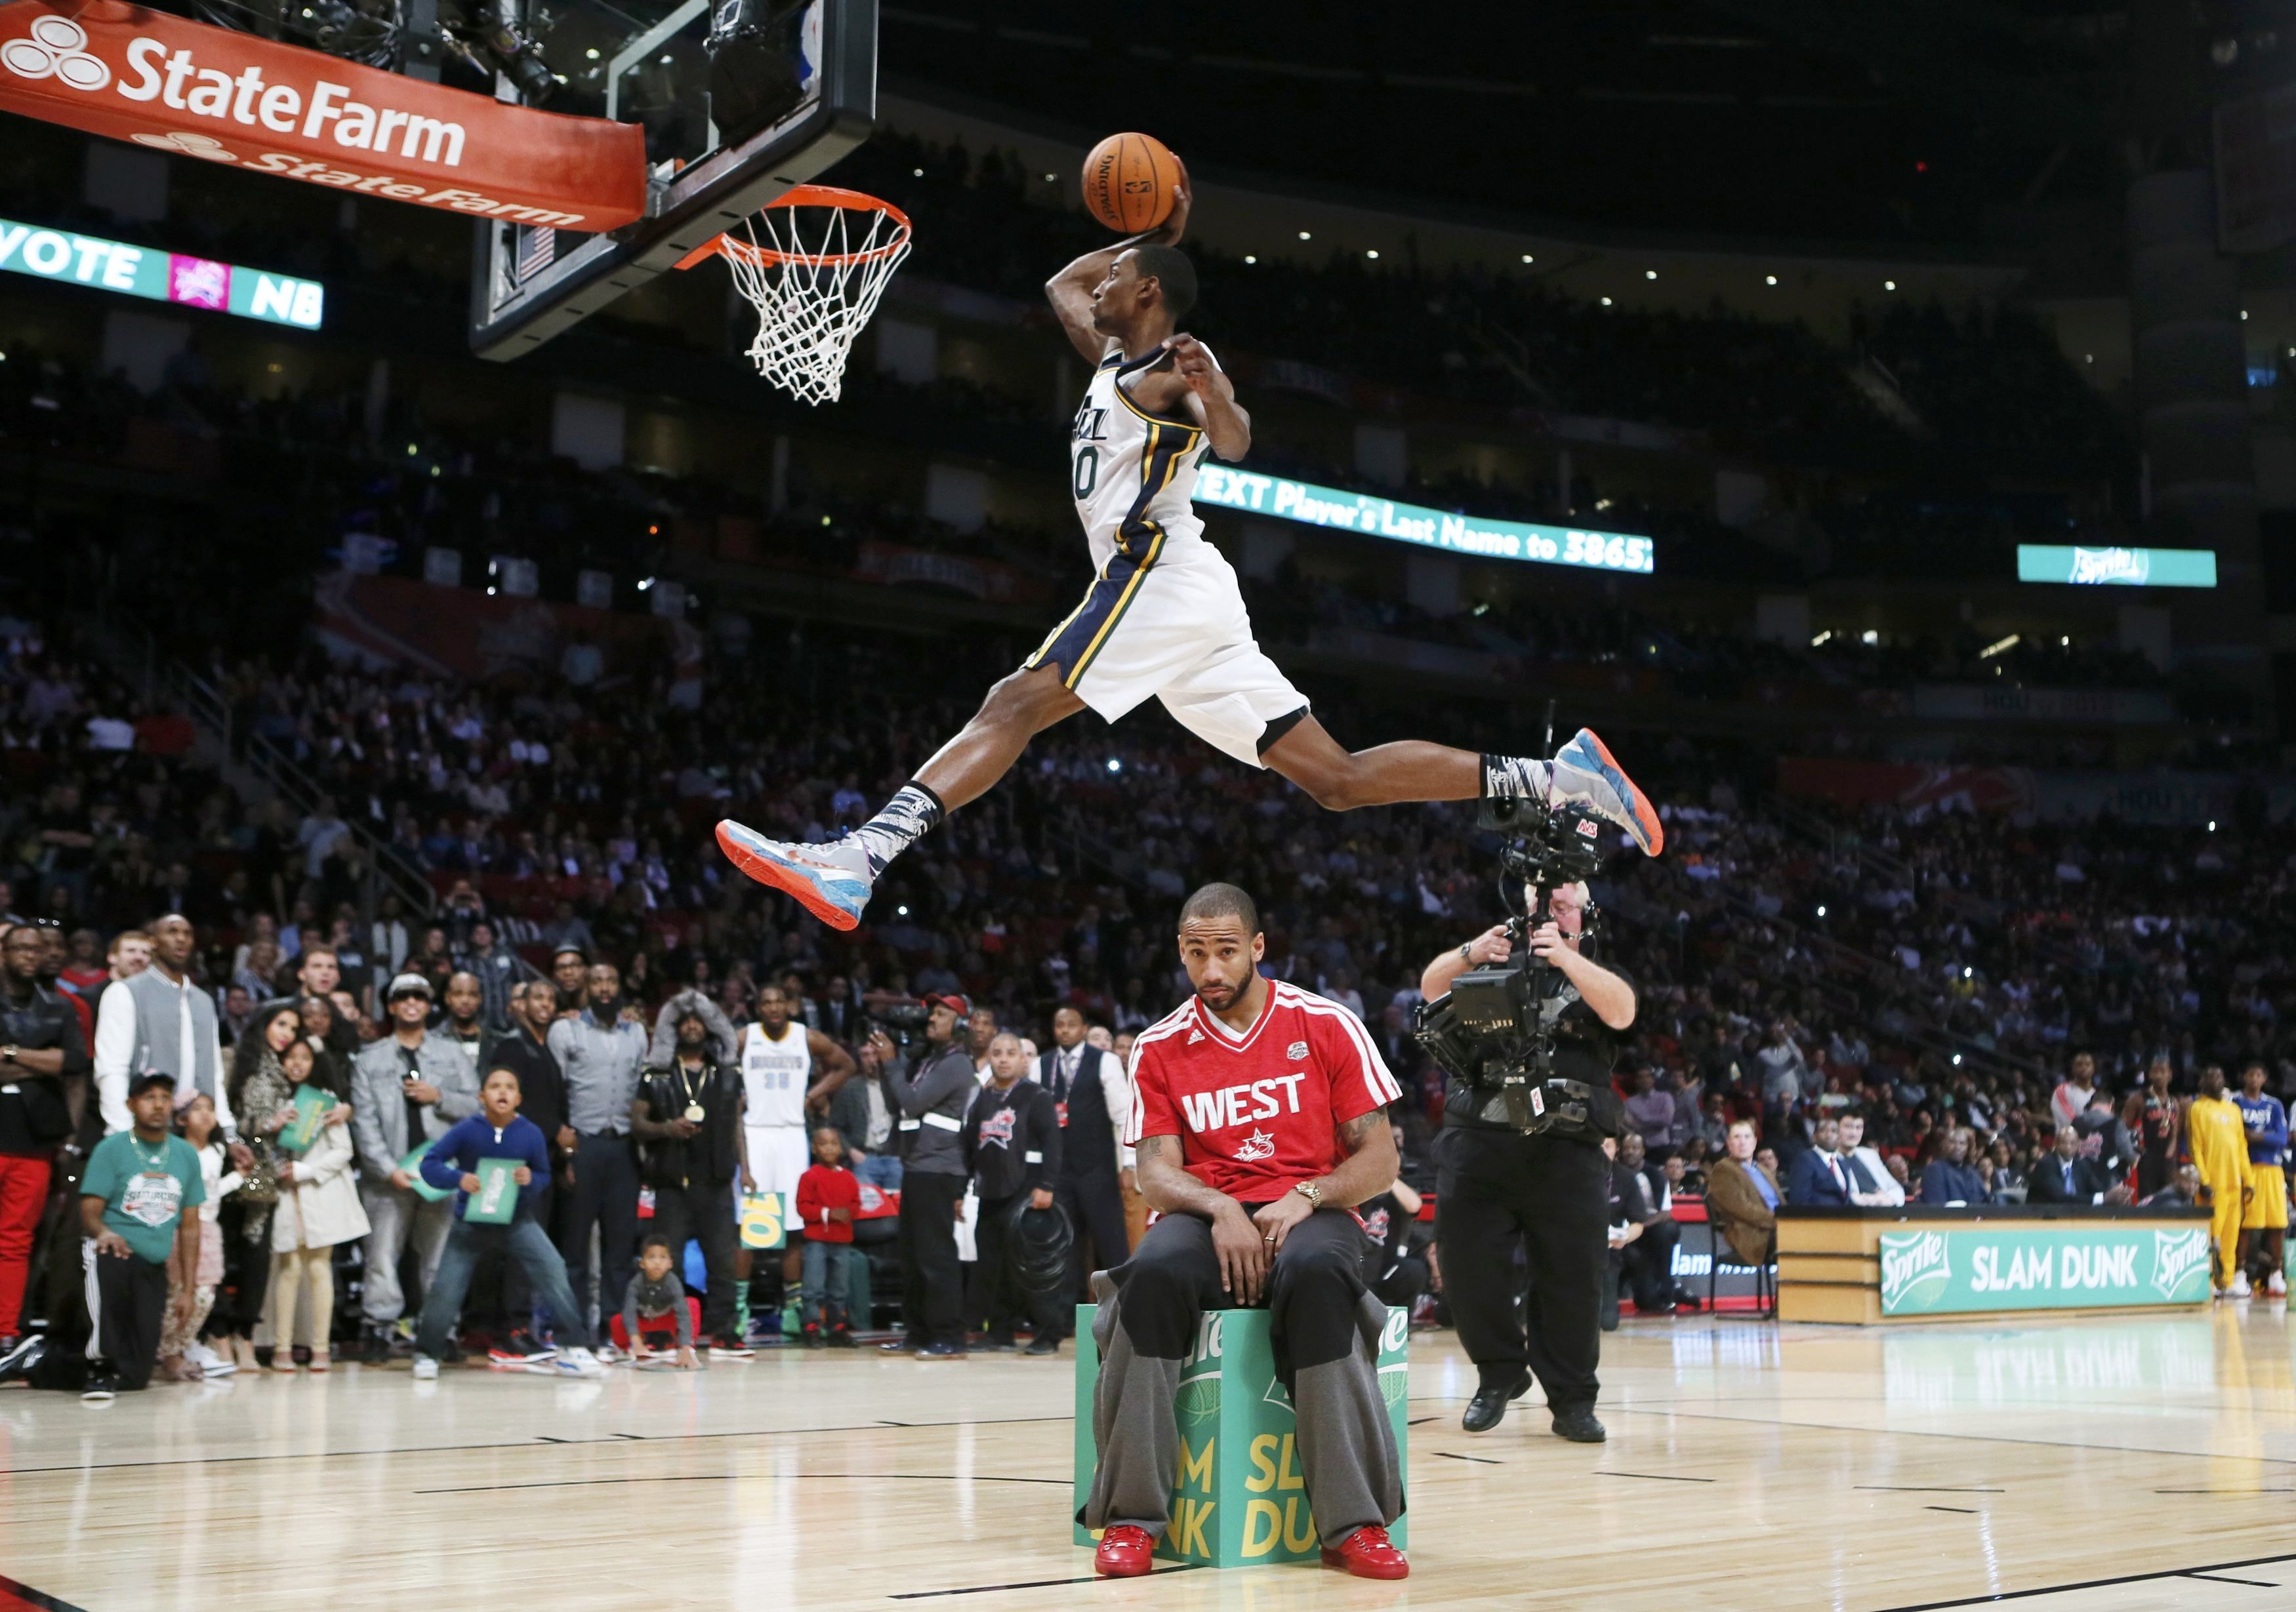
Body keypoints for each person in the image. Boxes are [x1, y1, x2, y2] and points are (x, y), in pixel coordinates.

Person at [710, 180, 1661, 935]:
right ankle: (1559, 777)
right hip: (1192, 600)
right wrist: (1158, 226)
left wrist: (1213, 388)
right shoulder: (1107, 359)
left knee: (1017, 701)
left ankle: (860, 858)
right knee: (1336, 780)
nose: (1104, 280)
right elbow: (1061, 287)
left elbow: (1237, 440)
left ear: (1151, 295)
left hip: (1157, 576)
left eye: (1123, 271)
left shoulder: (1174, 367)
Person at [1088, 883, 1406, 1581]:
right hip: (1206, 1212)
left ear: (1257, 948)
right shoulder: (1160, 1045)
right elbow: (1153, 1173)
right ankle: (1131, 1517)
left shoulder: (1324, 1023)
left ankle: (1353, 1524)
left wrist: (1307, 1193)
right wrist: (1220, 1208)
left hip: (1312, 1210)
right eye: (1196, 953)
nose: (1211, 970)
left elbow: (1379, 1160)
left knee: (1320, 1274)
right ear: (1180, 951)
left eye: (1226, 951)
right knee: (1150, 1275)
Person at [1418, 879, 1633, 1440]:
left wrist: (1564, 954)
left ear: (1587, 917)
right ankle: (1499, 1373)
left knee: (1572, 1280)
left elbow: (1623, 1013)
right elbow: (1430, 985)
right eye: (1546, 904)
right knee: (1466, 1267)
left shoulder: (1596, 969)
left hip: (1568, 1148)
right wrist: (1472, 951)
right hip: (1479, 1139)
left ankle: (1571, 1401)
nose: (1555, 915)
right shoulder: (1494, 954)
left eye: (1568, 908)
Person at [410, 1066, 604, 1380]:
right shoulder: (467, 1129)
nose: (502, 1092)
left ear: (518, 1099)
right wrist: (459, 1179)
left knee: (553, 1269)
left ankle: (573, 1348)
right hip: (470, 1222)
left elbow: (542, 1175)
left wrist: (530, 1180)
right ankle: (427, 1353)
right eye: (495, 1086)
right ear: (481, 1096)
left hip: (516, 1220)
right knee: (446, 1286)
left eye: (509, 1087)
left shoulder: (530, 1133)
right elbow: (430, 1165)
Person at [350, 973, 479, 1361]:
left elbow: (476, 1106)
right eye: (403, 996)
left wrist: (439, 1096)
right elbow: (364, 1121)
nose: (411, 1002)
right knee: (381, 1257)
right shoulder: (370, 1058)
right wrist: (388, 1168)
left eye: (419, 997)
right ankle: (378, 1330)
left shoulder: (452, 1054)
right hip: (388, 1176)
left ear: (428, 1005)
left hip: (440, 1172)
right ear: (390, 1006)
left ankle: (442, 1330)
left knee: (441, 1258)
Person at [734, 984, 855, 1332]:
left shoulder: (807, 1037)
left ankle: (793, 1308)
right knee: (751, 1228)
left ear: (790, 1006)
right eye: (766, 1003)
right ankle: (740, 1308)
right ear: (758, 1008)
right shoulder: (746, 1037)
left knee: (793, 1228)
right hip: (756, 1133)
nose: (773, 1008)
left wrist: (812, 1095)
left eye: (779, 1002)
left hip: (791, 1135)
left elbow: (846, 1065)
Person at [77, 1072, 203, 1400]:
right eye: (149, 1097)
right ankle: (99, 1368)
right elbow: (90, 1208)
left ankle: (39, 1362)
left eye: (165, 1096)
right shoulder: (111, 1149)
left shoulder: (185, 1155)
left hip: (153, 1264)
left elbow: (190, 1226)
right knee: (107, 1260)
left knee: (137, 1376)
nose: (158, 1104)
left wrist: (188, 1289)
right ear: (131, 1104)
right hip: (114, 1255)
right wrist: (104, 1232)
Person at [632, 1009, 750, 1356]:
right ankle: (664, 1331)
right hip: (672, 1181)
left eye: (699, 1021)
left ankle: (724, 1332)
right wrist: (668, 1128)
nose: (693, 1026)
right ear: (674, 1029)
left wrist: (746, 1167)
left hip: (716, 1180)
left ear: (711, 1028)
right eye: (685, 1021)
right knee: (667, 1263)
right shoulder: (657, 1074)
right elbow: (637, 1123)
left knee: (723, 1262)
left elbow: (736, 1125)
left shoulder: (727, 1074)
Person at [0, 921, 89, 1368]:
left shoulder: (59, 1007)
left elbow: (72, 1061)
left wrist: (12, 1055)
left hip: (34, 1140)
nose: (30, 956)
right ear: (3, 952)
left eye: (37, 949)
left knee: (16, 1240)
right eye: (20, 948)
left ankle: (5, 1336)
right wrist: (43, 1062)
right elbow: (54, 1062)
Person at [547, 961, 649, 1337]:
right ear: (586, 988)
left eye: (611, 980)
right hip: (582, 1144)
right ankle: (571, 1326)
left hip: (623, 1148)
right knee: (575, 1247)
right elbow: (555, 1088)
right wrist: (563, 1149)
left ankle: (613, 1325)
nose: (605, 988)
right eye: (597, 981)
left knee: (620, 1247)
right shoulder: (565, 1029)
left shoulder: (637, 1032)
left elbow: (643, 1087)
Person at [881, 997, 978, 1358]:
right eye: (932, 1013)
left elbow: (913, 1103)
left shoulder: (956, 1063)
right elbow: (896, 1103)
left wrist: (892, 1062)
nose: (932, 1019)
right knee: (911, 1255)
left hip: (939, 1168)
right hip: (917, 1165)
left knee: (936, 1256)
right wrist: (886, 1065)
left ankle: (949, 1336)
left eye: (941, 1014)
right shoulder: (929, 1060)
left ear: (961, 1023)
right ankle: (918, 1331)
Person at [264, 1036, 368, 1373]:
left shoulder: (326, 1102)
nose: (297, 1064)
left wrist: (307, 1170)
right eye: (290, 1057)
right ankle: (282, 1348)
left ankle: (320, 1348)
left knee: (319, 1267)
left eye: (304, 1058)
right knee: (289, 1268)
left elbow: (344, 1150)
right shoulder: (272, 1101)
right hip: (284, 1194)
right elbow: (254, 1142)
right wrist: (273, 1128)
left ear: (314, 1064)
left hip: (318, 1194)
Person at [962, 1032, 1064, 1355]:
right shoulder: (983, 1098)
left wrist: (1046, 1185)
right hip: (989, 1192)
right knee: (991, 1266)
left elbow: (1053, 1144)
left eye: (1010, 1053)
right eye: (997, 1053)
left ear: (1024, 1061)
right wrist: (959, 1189)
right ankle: (1000, 1332)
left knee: (1030, 1266)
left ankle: (1050, 1332)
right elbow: (968, 1147)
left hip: (1027, 1189)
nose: (1003, 1058)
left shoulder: (1037, 1096)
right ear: (988, 1059)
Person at [92, 914, 237, 1139]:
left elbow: (214, 1071)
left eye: (187, 934)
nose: (181, 939)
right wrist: (121, 1130)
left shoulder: (203, 1000)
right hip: (143, 1128)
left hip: (197, 1134)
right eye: (172, 932)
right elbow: (111, 1068)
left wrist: (227, 1127)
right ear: (153, 942)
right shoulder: (125, 992)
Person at [1035, 1004, 1132, 1339]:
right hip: (1058, 1172)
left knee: (1112, 1244)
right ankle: (1060, 1321)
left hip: (1097, 1168)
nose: (1064, 1030)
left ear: (1083, 1027)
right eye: (1058, 1024)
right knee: (1063, 1247)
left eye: (1071, 1024)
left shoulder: (1103, 1061)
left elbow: (1123, 1115)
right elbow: (1035, 1121)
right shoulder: (1040, 1064)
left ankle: (1127, 1314)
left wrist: (1129, 1163)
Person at [157, 1092, 239, 1380]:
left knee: (204, 1295)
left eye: (210, 1108)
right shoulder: (175, 1150)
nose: (206, 1114)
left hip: (209, 1229)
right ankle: (169, 1353)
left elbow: (212, 1190)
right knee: (176, 1293)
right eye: (197, 1109)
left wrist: (238, 1178)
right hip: (182, 1228)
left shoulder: (217, 1152)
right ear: (181, 1119)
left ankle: (179, 1346)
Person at [792, 1125, 860, 1347]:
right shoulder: (809, 1176)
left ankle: (837, 1327)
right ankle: (811, 1326)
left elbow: (856, 1205)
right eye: (823, 1144)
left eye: (834, 1143)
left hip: (842, 1240)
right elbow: (803, 1207)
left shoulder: (849, 1177)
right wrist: (829, 1214)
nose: (829, 1148)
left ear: (841, 1148)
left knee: (840, 1288)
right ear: (814, 1148)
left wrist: (849, 1213)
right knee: (814, 1287)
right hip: (817, 1241)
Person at [2187, 1064, 2249, 1295]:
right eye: (2210, 1076)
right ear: (2202, 1081)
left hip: (2235, 1184)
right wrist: (2203, 1180)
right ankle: (2210, 1281)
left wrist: (2249, 1179)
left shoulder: (2234, 1110)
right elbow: (2195, 1148)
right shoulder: (2197, 1109)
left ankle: (2229, 1281)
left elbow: (2242, 1145)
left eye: (2219, 1076)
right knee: (2211, 1236)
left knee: (2231, 1235)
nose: (2216, 1080)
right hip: (2214, 1185)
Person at [2233, 1061, 2288, 1298]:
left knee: (2278, 1223)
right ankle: (2239, 1274)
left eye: (2259, 1075)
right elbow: (2235, 1136)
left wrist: (2255, 1136)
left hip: (2273, 1170)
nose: (2254, 1079)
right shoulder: (2235, 1103)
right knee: (2246, 1225)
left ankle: (2276, 1274)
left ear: (2264, 1079)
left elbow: (2282, 1139)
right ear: (2244, 1076)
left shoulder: (2274, 1105)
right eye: (2251, 1074)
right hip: (2248, 1169)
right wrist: (2263, 1137)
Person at [1614, 1133, 1680, 1316]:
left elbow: (1666, 1212)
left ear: (1643, 1151)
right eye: (1627, 1148)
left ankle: (1668, 1290)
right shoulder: (1613, 1173)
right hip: (1620, 1230)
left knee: (1665, 1231)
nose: (1630, 1152)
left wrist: (1641, 1226)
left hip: (1649, 1227)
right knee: (1646, 1301)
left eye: (1635, 1148)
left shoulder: (1656, 1175)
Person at [613, 1235, 701, 1366]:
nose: (657, 1262)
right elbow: (629, 1311)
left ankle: (687, 1346)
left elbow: (682, 1313)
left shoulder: (673, 1282)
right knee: (617, 1320)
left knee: (691, 1304)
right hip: (645, 1323)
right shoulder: (635, 1283)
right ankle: (636, 1346)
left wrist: (685, 1347)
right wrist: (635, 1340)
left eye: (662, 1258)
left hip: (667, 1321)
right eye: (651, 1257)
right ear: (642, 1263)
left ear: (670, 1263)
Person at [1704, 1120, 1780, 1270]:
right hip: (1752, 1234)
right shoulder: (1723, 1170)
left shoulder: (1762, 1170)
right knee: (1800, 1240)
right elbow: (1742, 1209)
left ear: (1754, 1142)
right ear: (1728, 1143)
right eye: (1737, 1137)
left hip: (1779, 1228)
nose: (1742, 1142)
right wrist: (1779, 1222)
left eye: (1747, 1137)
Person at [1357, 1176, 1430, 1312]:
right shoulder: (1356, 1188)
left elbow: (1414, 1205)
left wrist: (1388, 1176)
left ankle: (1401, 1329)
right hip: (1356, 1269)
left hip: (1386, 1271)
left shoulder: (1394, 1194)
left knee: (1414, 1271)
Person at [2028, 1123, 2129, 1207]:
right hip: (2043, 1220)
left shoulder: (2081, 1165)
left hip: (2075, 1219)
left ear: (2078, 1146)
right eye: (2064, 1143)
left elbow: (2097, 1190)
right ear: (2056, 1144)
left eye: (2073, 1144)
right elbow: (2062, 1199)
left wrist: (2116, 1196)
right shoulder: (2046, 1165)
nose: (2068, 1148)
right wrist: (2104, 1198)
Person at [2126, 1055, 2183, 1199]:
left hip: (2167, 1160)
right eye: (2155, 1072)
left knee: (2167, 1201)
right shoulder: (2138, 1099)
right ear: (2149, 1074)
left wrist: (2170, 1156)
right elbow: (2124, 1129)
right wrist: (2138, 1150)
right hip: (2146, 1159)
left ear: (2170, 1075)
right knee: (2148, 1202)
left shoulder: (2174, 1102)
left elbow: (2175, 1133)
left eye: (2162, 1072)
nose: (2158, 1076)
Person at [1786, 1116, 1853, 1207]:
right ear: (1814, 1136)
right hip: (1817, 1219)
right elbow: (1799, 1201)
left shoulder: (1842, 1163)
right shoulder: (1805, 1160)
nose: (1829, 1135)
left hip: (1843, 1219)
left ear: (1839, 1138)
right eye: (1823, 1130)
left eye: (1834, 1131)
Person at [1837, 1112, 1901, 1207]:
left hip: (1883, 1212)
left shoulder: (1870, 1154)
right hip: (1852, 1216)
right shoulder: (1827, 1158)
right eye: (1848, 1127)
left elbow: (1896, 1188)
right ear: (1835, 1129)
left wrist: (1886, 1200)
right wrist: (1868, 1200)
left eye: (1859, 1127)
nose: (1854, 1133)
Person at [1917, 1130, 1990, 1206]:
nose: (1958, 1147)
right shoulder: (1935, 1170)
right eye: (1952, 1142)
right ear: (1944, 1145)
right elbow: (1936, 1208)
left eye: (1962, 1143)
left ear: (1967, 1147)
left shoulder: (1973, 1173)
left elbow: (1986, 1203)